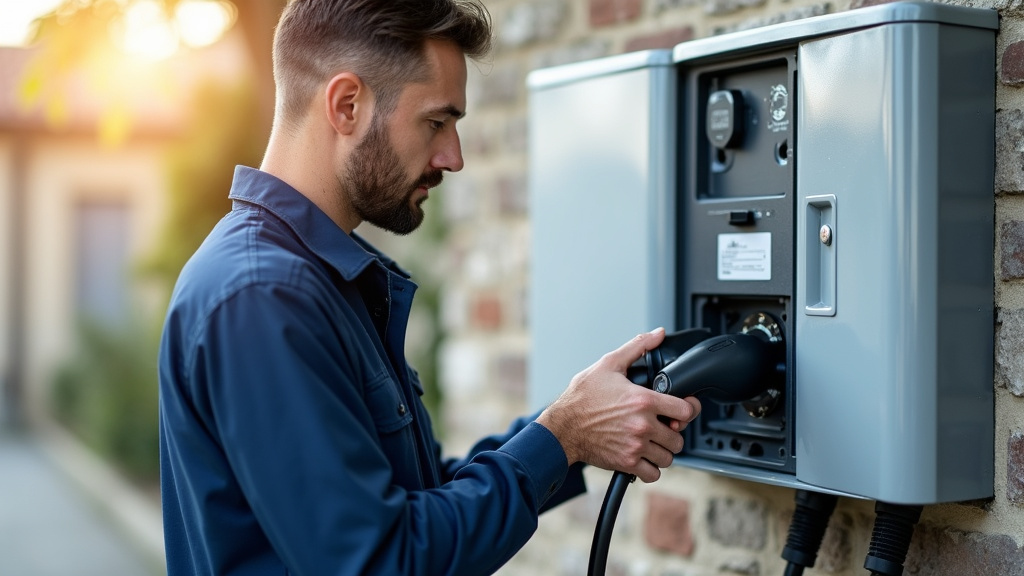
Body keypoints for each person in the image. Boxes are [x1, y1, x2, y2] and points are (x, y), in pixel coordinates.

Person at [158, 1, 702, 575]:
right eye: (436, 122)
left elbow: (407, 505)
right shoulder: (263, 296)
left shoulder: (310, 279)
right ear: (347, 105)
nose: (455, 157)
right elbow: (379, 560)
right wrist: (561, 437)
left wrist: (574, 425)